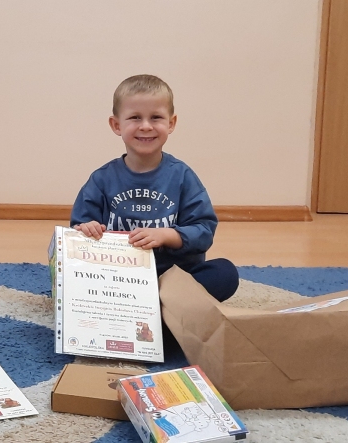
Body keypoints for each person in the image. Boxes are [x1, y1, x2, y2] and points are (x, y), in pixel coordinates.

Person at [71, 74, 239, 302]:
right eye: (135, 117)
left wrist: (167, 235)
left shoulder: (182, 176)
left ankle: (152, 310)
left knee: (224, 273)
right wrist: (87, 229)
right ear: (116, 125)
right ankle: (160, 315)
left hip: (173, 278)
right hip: (118, 279)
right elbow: (77, 235)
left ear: (171, 123)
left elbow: (204, 231)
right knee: (71, 280)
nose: (146, 126)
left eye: (156, 117)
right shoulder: (101, 179)